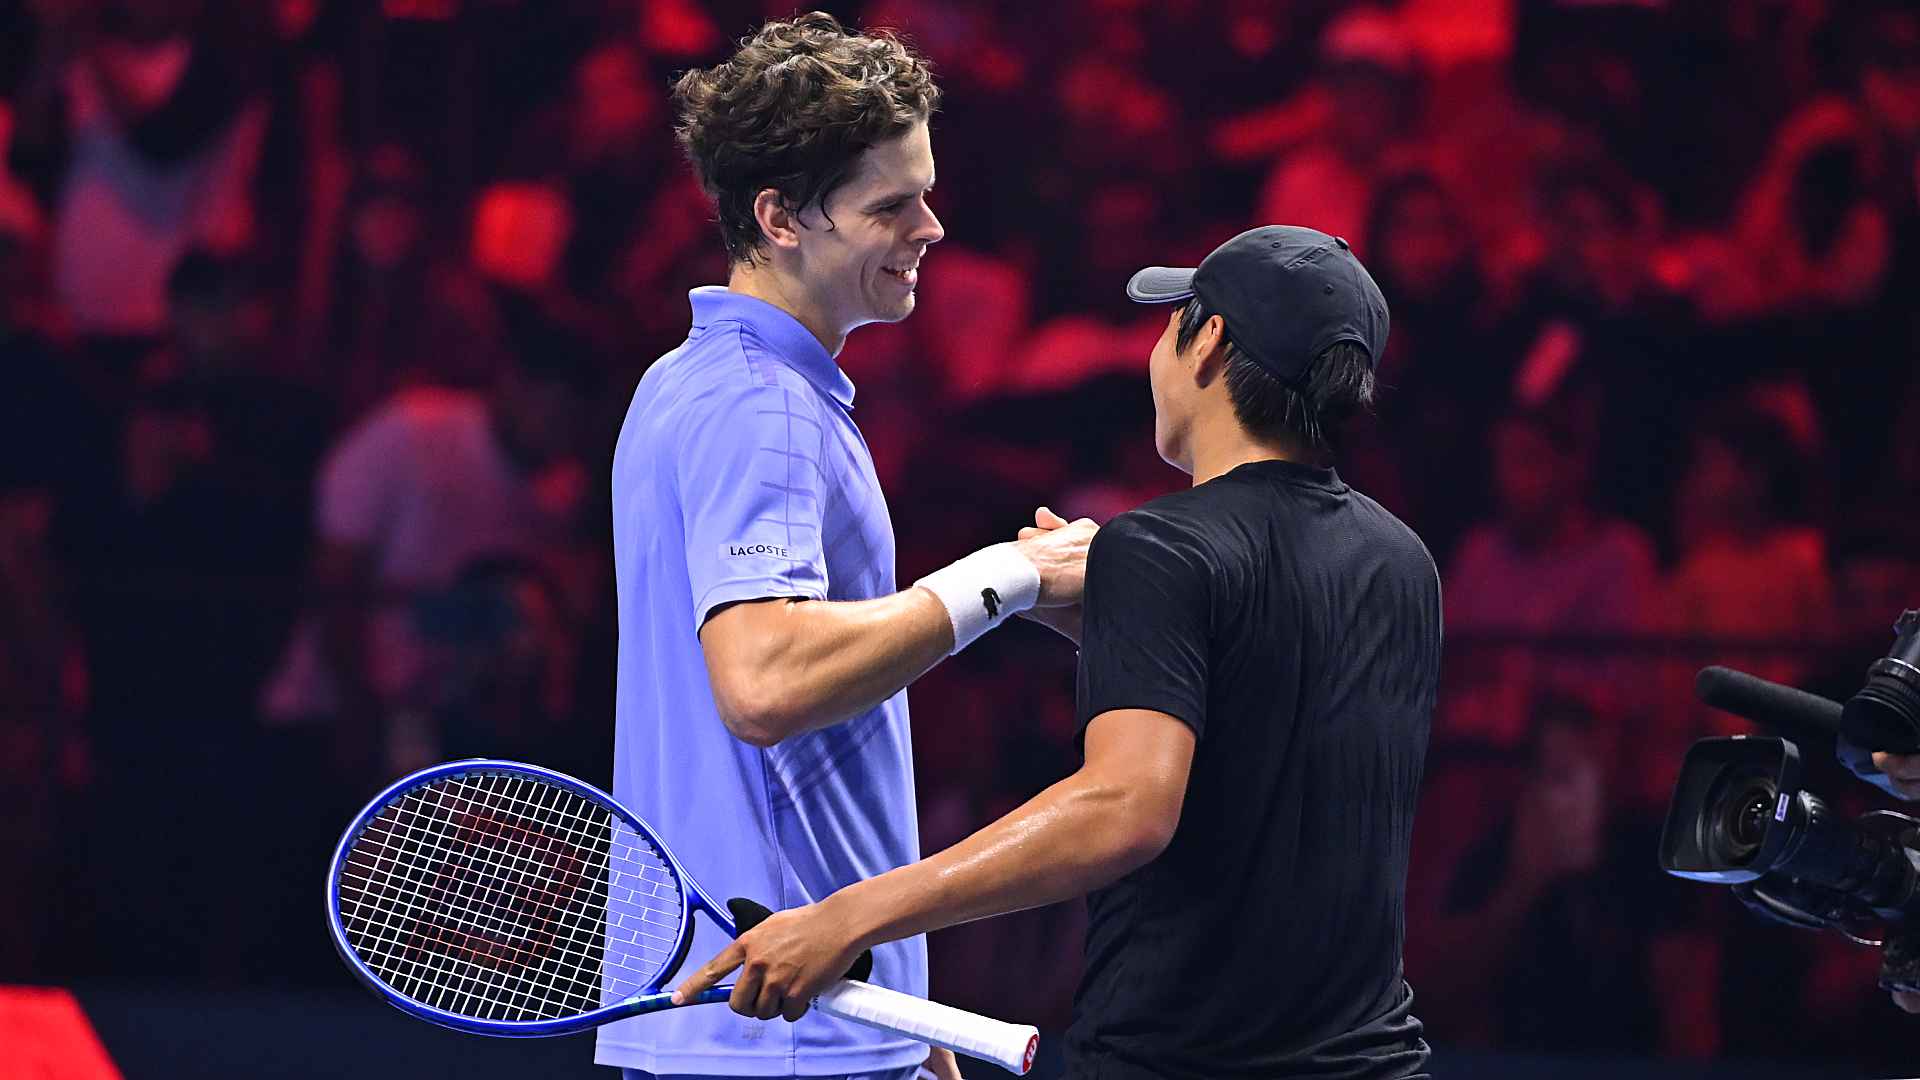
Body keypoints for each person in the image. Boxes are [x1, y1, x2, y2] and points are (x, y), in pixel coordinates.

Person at [674, 225, 1441, 1080]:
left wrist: (849, 918)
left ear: (1210, 343)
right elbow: (1267, 732)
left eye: (1171, 320)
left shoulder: (1160, 547)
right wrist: (1110, 628)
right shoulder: (1403, 561)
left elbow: (1126, 808)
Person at [600, 13, 1094, 1080]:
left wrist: (903, 1013)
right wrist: (1012, 577)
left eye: (923, 188)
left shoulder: (689, 380)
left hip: (791, 1022)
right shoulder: (761, 411)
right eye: (891, 204)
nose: (933, 226)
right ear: (780, 216)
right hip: (780, 1033)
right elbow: (765, 684)